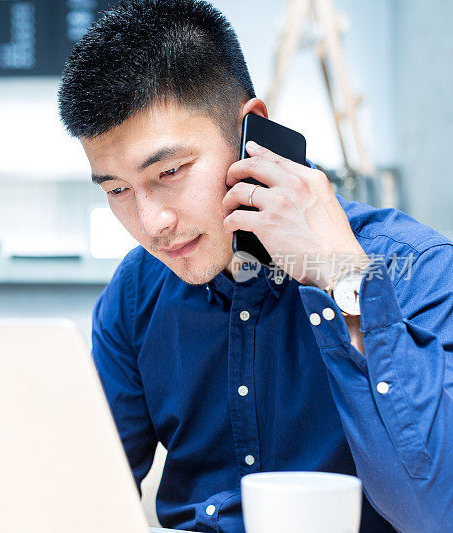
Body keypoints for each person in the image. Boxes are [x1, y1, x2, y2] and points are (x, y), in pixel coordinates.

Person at [57, 1, 453, 532]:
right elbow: (83, 495)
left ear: (253, 131)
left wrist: (342, 275)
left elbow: (433, 512)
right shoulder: (136, 291)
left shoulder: (417, 268)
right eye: (117, 190)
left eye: (170, 171)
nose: (153, 222)